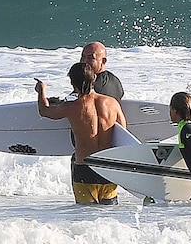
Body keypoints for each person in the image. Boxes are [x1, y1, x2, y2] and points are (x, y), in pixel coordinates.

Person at [36, 63, 127, 205]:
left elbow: (44, 111)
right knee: (110, 214)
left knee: (86, 216)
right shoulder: (112, 103)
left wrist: (41, 91)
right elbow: (123, 132)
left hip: (85, 167)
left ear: (72, 83)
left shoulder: (72, 107)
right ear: (94, 79)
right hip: (107, 166)